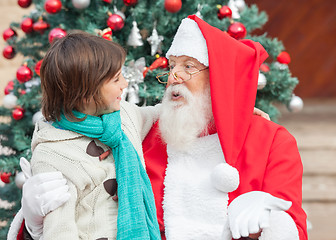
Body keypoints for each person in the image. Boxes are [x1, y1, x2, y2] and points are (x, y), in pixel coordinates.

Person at [9, 16, 305, 240]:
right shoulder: (143, 134)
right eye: (172, 65)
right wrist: (34, 222)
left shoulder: (271, 142)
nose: (174, 76)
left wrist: (274, 220)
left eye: (188, 66)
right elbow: (84, 200)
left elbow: (295, 225)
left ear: (220, 78)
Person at [7, 31, 161, 240]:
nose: (125, 84)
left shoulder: (124, 116)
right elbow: (60, 232)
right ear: (86, 92)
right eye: (116, 79)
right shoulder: (54, 154)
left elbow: (163, 114)